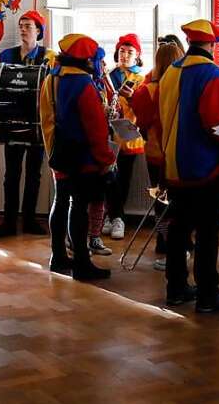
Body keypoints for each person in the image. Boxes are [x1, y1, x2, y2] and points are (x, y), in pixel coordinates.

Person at [156, 19, 219, 313]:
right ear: (212, 44)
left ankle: (175, 287)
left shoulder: (170, 73)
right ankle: (207, 294)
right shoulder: (211, 74)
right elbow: (216, 124)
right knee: (207, 232)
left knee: (179, 229)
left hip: (174, 164)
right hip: (205, 167)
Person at [39, 33, 116, 281]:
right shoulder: (83, 83)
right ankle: (82, 263)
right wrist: (106, 160)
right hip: (82, 155)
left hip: (57, 150)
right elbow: (95, 128)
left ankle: (58, 256)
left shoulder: (52, 77)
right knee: (79, 206)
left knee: (60, 202)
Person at [0, 10, 54, 239]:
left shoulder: (50, 57)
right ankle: (8, 222)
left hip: (37, 125)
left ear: (39, 31)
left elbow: (55, 86)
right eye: (21, 25)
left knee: (34, 174)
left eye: (28, 26)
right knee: (12, 174)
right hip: (11, 122)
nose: (23, 29)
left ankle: (29, 221)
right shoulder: (6, 55)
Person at [131, 40, 185, 271]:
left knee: (160, 202)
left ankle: (163, 242)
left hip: (153, 153)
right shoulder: (182, 88)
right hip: (177, 152)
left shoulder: (145, 90)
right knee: (179, 205)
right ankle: (179, 245)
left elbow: (141, 122)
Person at [103, 33, 145, 241]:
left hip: (128, 136)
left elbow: (142, 108)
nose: (125, 55)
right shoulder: (108, 76)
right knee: (109, 178)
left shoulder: (141, 79)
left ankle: (118, 217)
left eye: (130, 52)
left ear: (137, 56)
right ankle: (111, 216)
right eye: (122, 51)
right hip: (108, 135)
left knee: (123, 179)